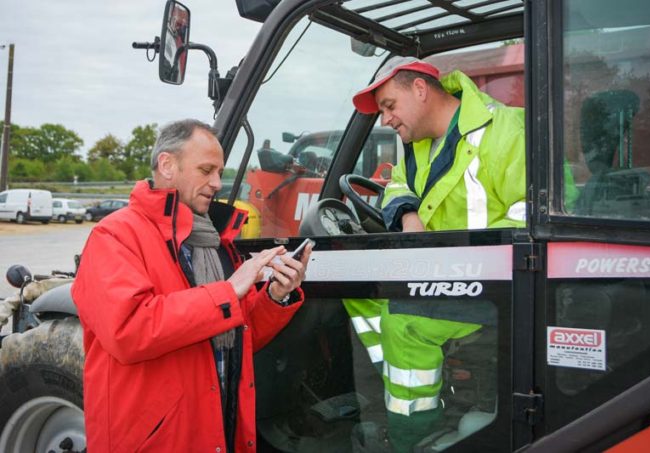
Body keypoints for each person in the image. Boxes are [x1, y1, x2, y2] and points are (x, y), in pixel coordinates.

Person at [71, 119, 312, 452]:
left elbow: (237, 333)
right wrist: (229, 292)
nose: (217, 183)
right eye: (206, 170)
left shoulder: (214, 241)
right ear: (167, 165)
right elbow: (129, 331)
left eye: (219, 172)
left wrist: (275, 296)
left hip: (219, 431)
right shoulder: (115, 236)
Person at [346, 56, 525, 451]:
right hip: (439, 274)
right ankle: (404, 383)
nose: (386, 120)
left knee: (402, 322)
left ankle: (414, 434)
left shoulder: (505, 130)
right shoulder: (418, 145)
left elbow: (530, 218)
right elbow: (395, 185)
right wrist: (409, 216)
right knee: (356, 290)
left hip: (496, 284)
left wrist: (460, 258)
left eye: (390, 106)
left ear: (421, 90)